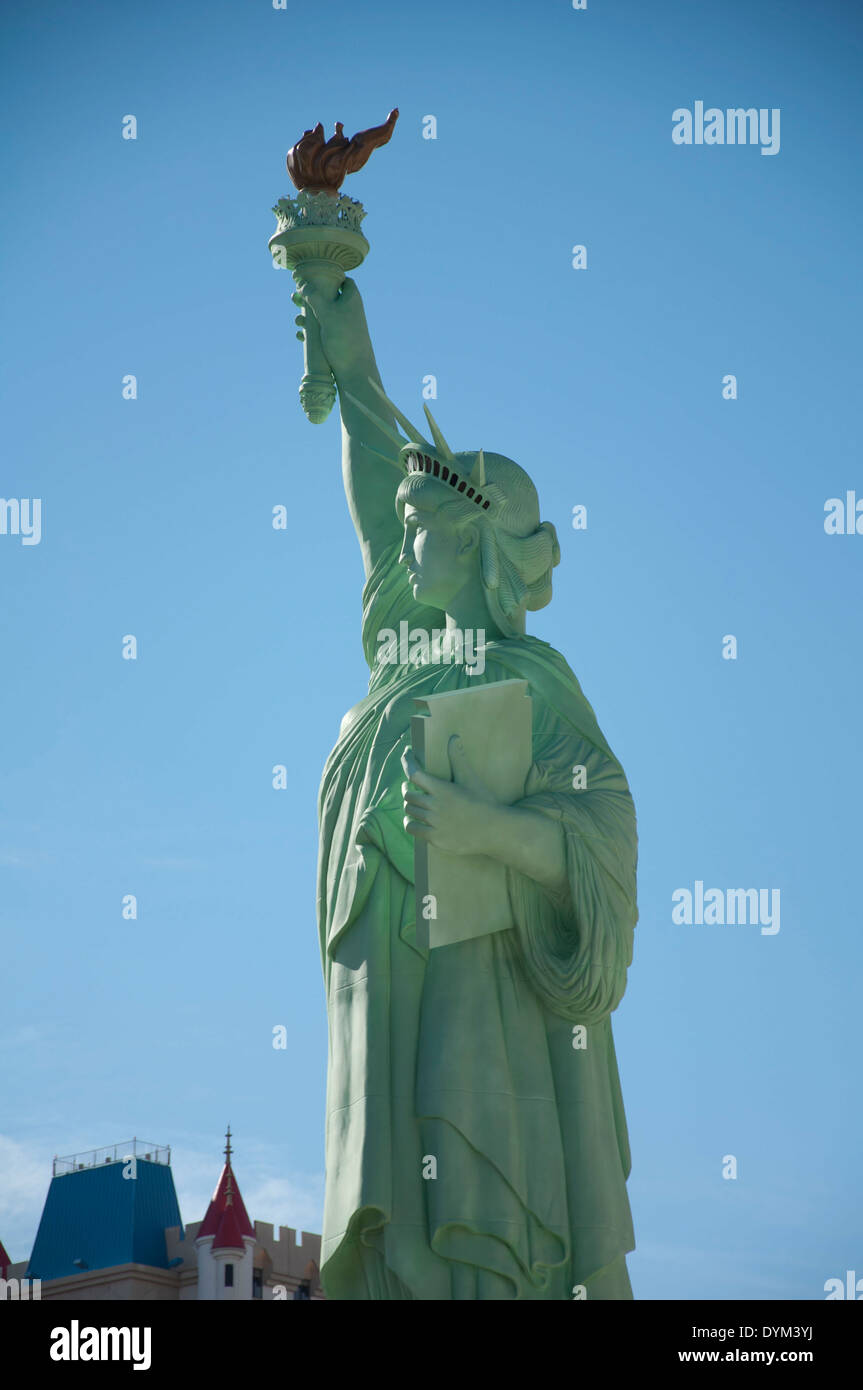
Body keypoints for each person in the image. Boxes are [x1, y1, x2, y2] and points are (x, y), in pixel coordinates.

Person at [293, 274, 639, 1300]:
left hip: (484, 1020)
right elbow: (369, 476)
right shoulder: (399, 662)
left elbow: (604, 829)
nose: (401, 541)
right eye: (402, 524)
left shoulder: (527, 683)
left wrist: (486, 827)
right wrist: (335, 322)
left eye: (423, 522)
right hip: (382, 1024)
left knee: (479, 1252)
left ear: (478, 540)